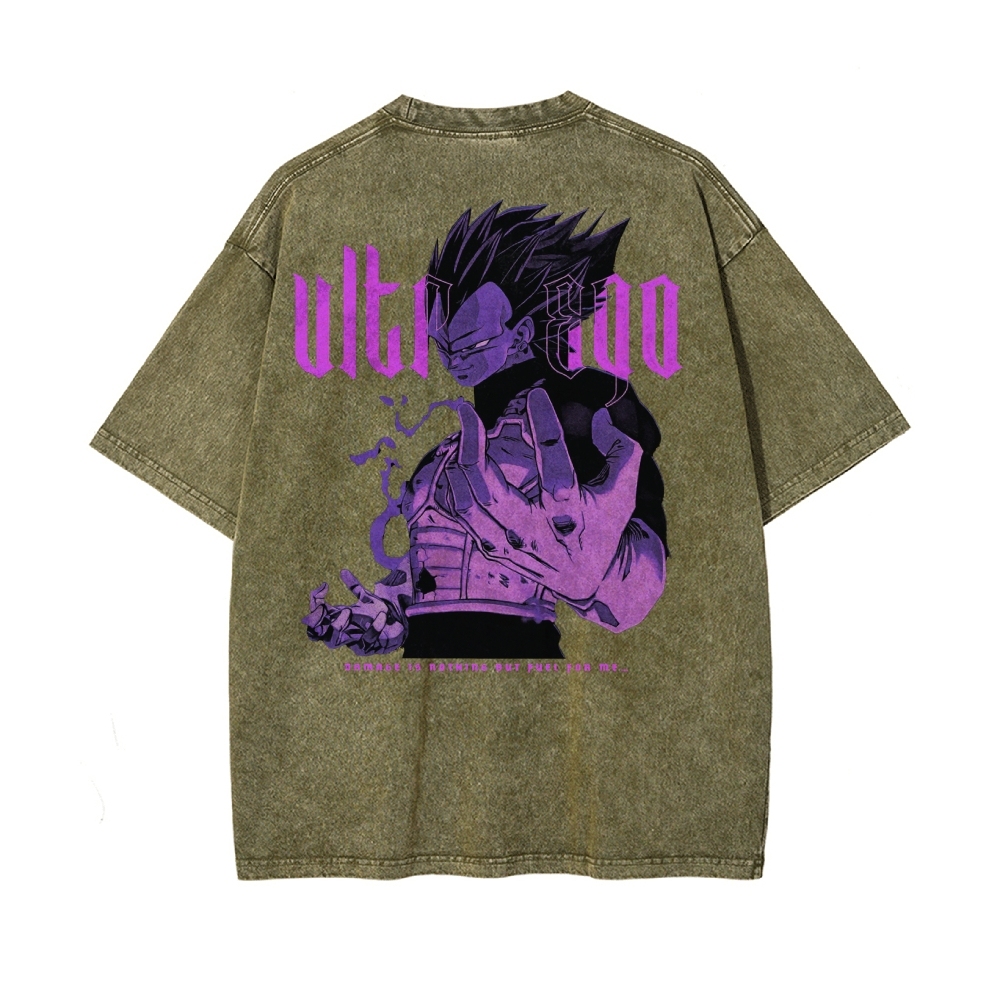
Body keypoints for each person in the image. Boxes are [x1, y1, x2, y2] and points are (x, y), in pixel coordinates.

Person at [303, 203, 668, 657]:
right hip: (429, 670)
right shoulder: (444, 457)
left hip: (530, 680)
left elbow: (643, 575)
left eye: (469, 343)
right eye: (440, 343)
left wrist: (597, 573)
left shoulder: (585, 409)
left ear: (521, 334)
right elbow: (440, 571)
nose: (451, 359)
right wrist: (390, 613)